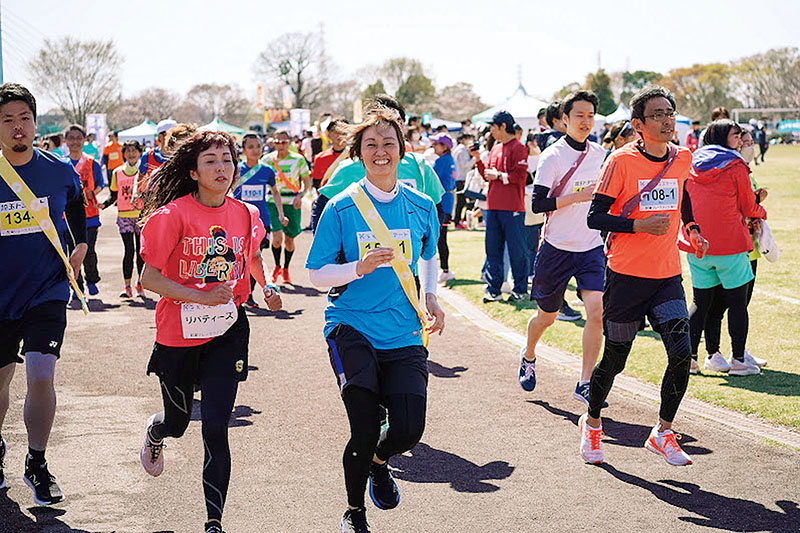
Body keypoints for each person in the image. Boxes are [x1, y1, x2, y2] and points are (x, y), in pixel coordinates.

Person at [306, 106, 445, 533]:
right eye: (371, 145)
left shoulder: (421, 205)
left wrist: (433, 297)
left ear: (403, 151)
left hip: (404, 329)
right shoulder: (341, 207)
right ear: (358, 154)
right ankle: (354, 513)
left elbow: (428, 254)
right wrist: (357, 268)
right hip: (351, 326)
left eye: (389, 143)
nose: (381, 152)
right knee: (364, 426)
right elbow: (315, 274)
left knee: (408, 430)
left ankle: (380, 463)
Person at [137, 130, 282, 533]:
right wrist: (197, 296)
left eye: (227, 159)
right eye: (211, 161)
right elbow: (150, 278)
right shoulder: (173, 216)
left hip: (227, 331)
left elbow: (250, 256)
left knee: (216, 427)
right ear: (193, 171)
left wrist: (265, 285)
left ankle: (213, 522)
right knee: (179, 423)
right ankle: (157, 431)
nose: (222, 168)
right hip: (178, 334)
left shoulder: (245, 214)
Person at [582, 86, 708, 466]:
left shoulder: (682, 156)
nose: (667, 119)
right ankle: (591, 423)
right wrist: (638, 226)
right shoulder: (620, 162)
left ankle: (663, 432)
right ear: (638, 125)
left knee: (682, 354)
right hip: (625, 277)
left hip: (667, 275)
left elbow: (682, 192)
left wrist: (693, 226)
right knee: (615, 360)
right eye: (657, 114)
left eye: (670, 112)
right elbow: (595, 217)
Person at [0, 83, 87, 505]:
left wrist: (81, 246)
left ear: (35, 123)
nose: (18, 128)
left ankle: (36, 462)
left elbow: (78, 205)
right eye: (8, 120)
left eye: (24, 119)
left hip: (47, 291)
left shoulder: (57, 169)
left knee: (40, 376)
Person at [522, 91, 607, 405]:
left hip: (590, 245)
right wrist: (579, 197)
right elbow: (538, 203)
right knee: (547, 317)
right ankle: (529, 355)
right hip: (556, 247)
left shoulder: (600, 154)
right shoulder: (553, 156)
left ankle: (586, 382)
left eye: (590, 116)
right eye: (579, 116)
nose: (585, 121)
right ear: (565, 120)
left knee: (596, 313)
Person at [684, 120, 766, 376]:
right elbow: (748, 206)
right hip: (730, 244)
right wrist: (761, 210)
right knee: (737, 304)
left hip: (698, 244)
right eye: (736, 135)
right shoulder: (735, 165)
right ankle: (739, 359)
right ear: (722, 137)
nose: (741, 139)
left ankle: (690, 357)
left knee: (700, 301)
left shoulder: (691, 161)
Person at [470, 110, 529, 302]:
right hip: (493, 206)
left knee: (516, 251)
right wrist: (478, 159)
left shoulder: (519, 147)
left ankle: (520, 289)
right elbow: (487, 173)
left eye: (493, 126)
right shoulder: (496, 147)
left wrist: (500, 176)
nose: (491, 131)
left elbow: (521, 177)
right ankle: (493, 289)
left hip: (512, 207)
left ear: (503, 126)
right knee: (492, 250)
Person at [233, 133, 285, 308]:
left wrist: (280, 213)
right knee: (240, 259)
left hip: (261, 220)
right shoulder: (235, 170)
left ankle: (248, 294)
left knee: (256, 258)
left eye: (258, 146)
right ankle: (239, 292)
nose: (255, 150)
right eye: (251, 147)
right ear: (243, 150)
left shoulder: (267, 171)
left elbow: (275, 192)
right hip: (238, 220)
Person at [264, 128, 311, 285]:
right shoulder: (267, 160)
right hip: (272, 202)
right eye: (277, 142)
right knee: (276, 239)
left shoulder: (298, 159)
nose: (281, 145)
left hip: (292, 203)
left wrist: (301, 195)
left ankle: (286, 268)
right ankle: (276, 266)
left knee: (289, 241)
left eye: (284, 142)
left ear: (289, 143)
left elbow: (307, 180)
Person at [101, 140, 147, 298]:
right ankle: (127, 287)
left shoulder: (145, 172)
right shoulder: (117, 172)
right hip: (124, 217)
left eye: (134, 150)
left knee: (141, 253)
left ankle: (140, 284)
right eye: (128, 151)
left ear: (140, 152)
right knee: (129, 251)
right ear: (124, 154)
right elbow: (114, 194)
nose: (131, 154)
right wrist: (104, 204)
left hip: (141, 217)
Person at [64, 124, 104, 299]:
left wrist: (93, 193)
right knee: (71, 252)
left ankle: (92, 280)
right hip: (68, 217)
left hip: (90, 216)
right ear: (66, 141)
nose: (75, 142)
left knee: (89, 250)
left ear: (84, 140)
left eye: (78, 138)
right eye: (71, 138)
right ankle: (76, 287)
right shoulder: (61, 164)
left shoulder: (92, 163)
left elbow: (101, 184)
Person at [430, 133, 456, 283]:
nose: (433, 146)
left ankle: (445, 269)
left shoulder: (442, 161)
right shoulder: (449, 160)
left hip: (442, 202)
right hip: (448, 200)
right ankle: (444, 269)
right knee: (441, 237)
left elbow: (431, 179)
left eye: (436, 144)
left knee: (440, 238)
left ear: (444, 147)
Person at [311, 118, 349, 190]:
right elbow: (317, 183)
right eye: (336, 131)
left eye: (343, 132)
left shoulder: (356, 157)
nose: (340, 135)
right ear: (328, 134)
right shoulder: (320, 158)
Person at [452, 133, 475, 228]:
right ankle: (458, 221)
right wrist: (475, 158)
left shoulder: (460, 149)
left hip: (460, 178)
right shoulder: (462, 150)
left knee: (461, 201)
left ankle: (459, 220)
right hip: (462, 178)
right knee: (462, 201)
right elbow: (465, 164)